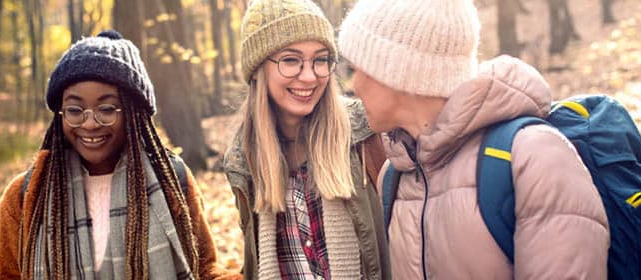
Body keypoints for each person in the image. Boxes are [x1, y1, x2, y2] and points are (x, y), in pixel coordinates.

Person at [337, 0, 609, 279]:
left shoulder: (533, 158)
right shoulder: (394, 174)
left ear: (395, 70)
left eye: (358, 69)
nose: (352, 85)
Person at [0, 30, 240, 280]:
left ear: (134, 114)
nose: (89, 124)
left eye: (107, 108)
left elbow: (204, 270)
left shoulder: (171, 181)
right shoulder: (26, 195)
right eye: (75, 109)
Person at [223, 0, 391, 279]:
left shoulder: (365, 134)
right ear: (258, 69)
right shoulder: (243, 160)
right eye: (291, 60)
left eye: (321, 59)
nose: (310, 75)